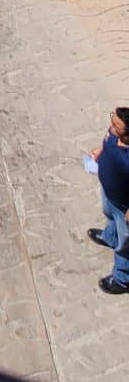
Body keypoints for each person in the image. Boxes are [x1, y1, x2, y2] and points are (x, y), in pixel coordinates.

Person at [87, 106, 129, 295]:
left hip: (124, 206)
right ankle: (109, 238)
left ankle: (122, 279)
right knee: (109, 216)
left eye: (116, 125)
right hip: (110, 193)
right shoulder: (114, 133)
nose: (111, 126)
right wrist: (100, 150)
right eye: (112, 119)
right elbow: (107, 142)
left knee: (125, 246)